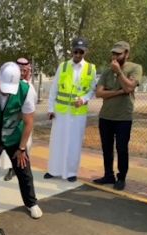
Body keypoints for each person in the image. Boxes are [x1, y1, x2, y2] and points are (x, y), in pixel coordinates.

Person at [0, 62, 43, 221]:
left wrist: (22, 147)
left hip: (15, 137)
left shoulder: (26, 91)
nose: (6, 93)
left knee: (24, 170)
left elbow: (29, 122)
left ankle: (31, 203)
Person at [44, 37, 97, 182]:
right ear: (72, 51)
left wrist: (84, 99)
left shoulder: (91, 68)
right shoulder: (63, 66)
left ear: (85, 52)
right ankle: (53, 170)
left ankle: (71, 172)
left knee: (74, 142)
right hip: (60, 111)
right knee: (57, 141)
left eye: (81, 52)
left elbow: (92, 89)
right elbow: (54, 88)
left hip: (78, 113)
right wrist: (50, 108)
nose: (78, 54)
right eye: (76, 51)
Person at [93, 41, 143, 190]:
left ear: (126, 54)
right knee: (106, 148)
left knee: (122, 148)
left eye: (118, 53)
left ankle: (121, 178)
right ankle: (108, 174)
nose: (115, 56)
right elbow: (99, 93)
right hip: (106, 116)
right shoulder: (108, 71)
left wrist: (119, 73)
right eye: (113, 53)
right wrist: (119, 92)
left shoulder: (135, 68)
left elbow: (129, 86)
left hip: (123, 117)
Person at [1, 57, 35, 181]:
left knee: (25, 146)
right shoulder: (9, 83)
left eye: (25, 70)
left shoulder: (28, 86)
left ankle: (21, 169)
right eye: (20, 70)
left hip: (24, 122)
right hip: (10, 122)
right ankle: (11, 169)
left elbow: (31, 105)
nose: (22, 73)